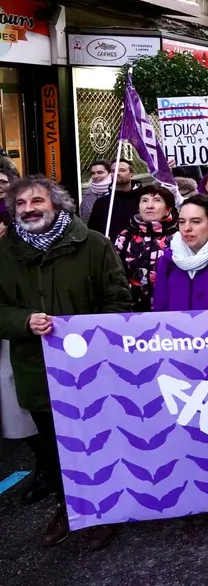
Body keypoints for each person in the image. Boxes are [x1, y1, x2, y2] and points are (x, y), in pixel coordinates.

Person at [0, 176, 130, 549]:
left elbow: (117, 299)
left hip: (90, 369)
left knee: (97, 441)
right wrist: (23, 321)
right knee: (55, 449)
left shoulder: (92, 244)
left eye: (37, 200)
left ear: (56, 204)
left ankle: (105, 511)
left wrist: (95, 341)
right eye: (21, 204)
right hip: (36, 370)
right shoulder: (4, 252)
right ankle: (67, 507)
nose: (29, 209)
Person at [114, 183, 178, 312]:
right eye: (144, 201)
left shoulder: (179, 236)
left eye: (157, 200)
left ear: (168, 208)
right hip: (133, 310)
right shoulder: (125, 236)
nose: (149, 206)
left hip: (170, 308)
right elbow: (115, 274)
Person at [87, 158, 140, 240]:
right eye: (113, 171)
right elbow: (93, 230)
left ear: (131, 175)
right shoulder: (101, 202)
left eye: (122, 170)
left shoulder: (142, 199)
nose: (117, 173)